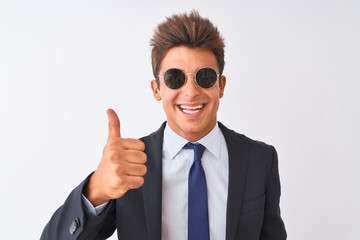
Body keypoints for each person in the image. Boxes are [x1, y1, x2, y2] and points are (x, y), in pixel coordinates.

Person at [41, 10, 286, 240]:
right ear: (157, 89)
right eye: (174, 78)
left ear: (220, 86)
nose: (190, 92)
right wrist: (95, 191)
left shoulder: (260, 159)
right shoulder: (130, 163)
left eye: (205, 77)